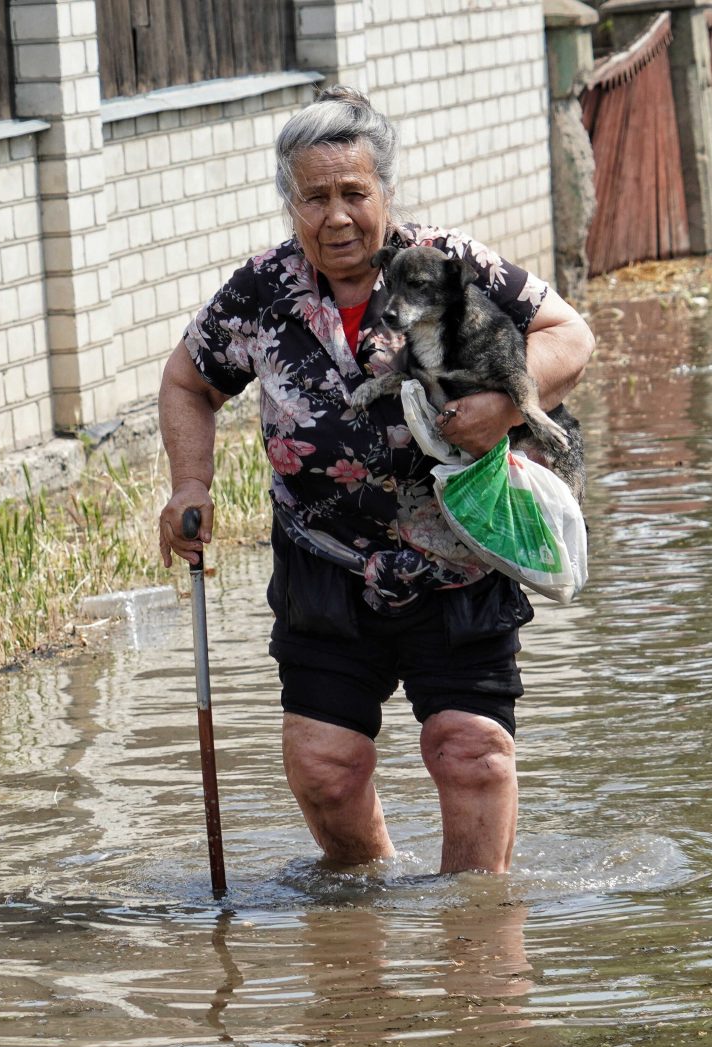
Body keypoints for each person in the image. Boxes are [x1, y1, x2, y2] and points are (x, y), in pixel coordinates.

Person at [155, 86, 595, 876]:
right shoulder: (262, 292)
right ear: (290, 203)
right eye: (314, 197)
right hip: (325, 563)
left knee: (470, 752)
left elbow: (569, 334)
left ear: (385, 192)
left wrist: (501, 402)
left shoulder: (448, 265)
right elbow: (189, 381)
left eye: (354, 193)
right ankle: (366, 908)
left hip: (458, 556)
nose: (336, 217)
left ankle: (477, 933)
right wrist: (190, 485)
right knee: (325, 768)